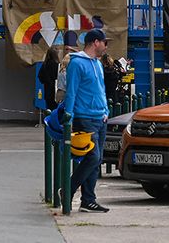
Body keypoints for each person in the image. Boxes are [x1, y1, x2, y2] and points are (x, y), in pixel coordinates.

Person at [62, 29, 110, 212]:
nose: (106, 46)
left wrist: (106, 110)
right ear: (95, 42)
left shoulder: (98, 64)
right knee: (93, 157)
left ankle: (88, 200)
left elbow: (101, 89)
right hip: (85, 117)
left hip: (100, 117)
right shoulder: (77, 64)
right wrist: (69, 117)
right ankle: (68, 189)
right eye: (105, 42)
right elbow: (71, 92)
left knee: (96, 161)